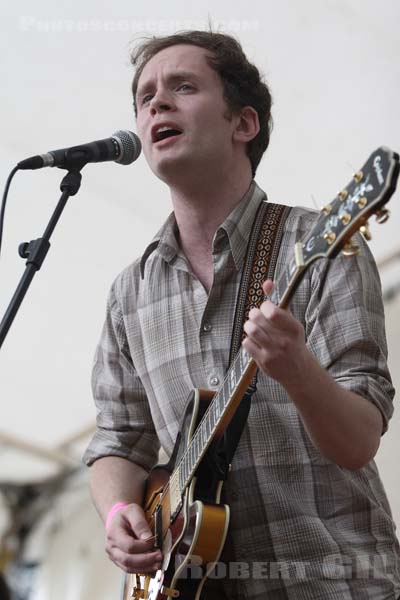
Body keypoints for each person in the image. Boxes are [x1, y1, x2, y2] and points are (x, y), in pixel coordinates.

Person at [83, 30, 400, 598]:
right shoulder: (129, 293)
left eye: (184, 86)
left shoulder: (320, 244)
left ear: (243, 124)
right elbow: (115, 442)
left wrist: (296, 367)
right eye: (145, 96)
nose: (157, 103)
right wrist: (116, 517)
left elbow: (358, 441)